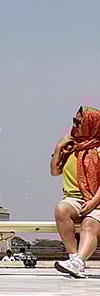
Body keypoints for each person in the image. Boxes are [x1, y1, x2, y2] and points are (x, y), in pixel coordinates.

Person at [52, 106, 100, 279]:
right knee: (61, 209)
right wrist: (58, 149)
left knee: (89, 224)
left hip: (97, 200)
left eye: (79, 122)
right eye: (74, 121)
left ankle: (78, 262)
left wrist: (94, 202)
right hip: (76, 199)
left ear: (90, 124)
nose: (75, 125)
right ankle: (73, 259)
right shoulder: (72, 147)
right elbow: (55, 171)